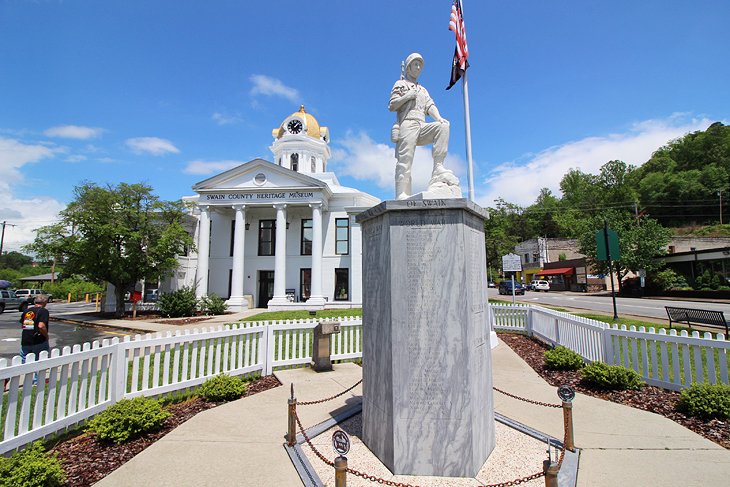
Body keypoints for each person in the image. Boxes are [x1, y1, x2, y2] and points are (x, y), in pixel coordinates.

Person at [388, 52, 460, 200]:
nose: (419, 67)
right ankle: (402, 192)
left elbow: (430, 105)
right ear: (408, 67)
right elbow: (392, 105)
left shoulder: (423, 89)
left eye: (420, 64)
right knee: (405, 159)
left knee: (443, 127)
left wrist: (439, 118)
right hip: (407, 123)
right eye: (415, 63)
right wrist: (407, 96)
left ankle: (438, 167)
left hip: (422, 124)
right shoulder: (400, 84)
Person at [19, 293, 51, 362]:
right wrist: (46, 336)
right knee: (38, 360)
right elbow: (41, 326)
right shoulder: (43, 311)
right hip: (38, 340)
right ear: (45, 302)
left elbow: (24, 324)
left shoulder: (27, 311)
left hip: (26, 339)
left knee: (24, 360)